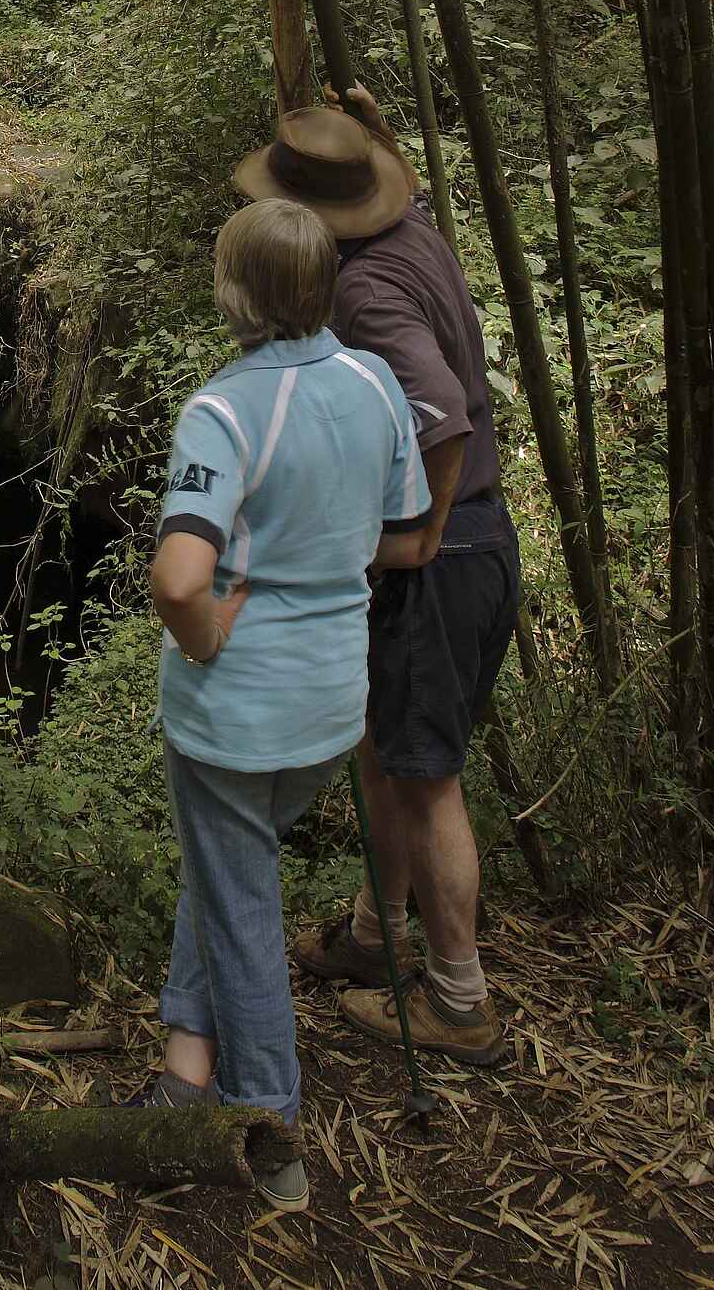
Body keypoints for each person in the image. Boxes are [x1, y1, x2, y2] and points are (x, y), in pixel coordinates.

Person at [136, 198, 432, 1213]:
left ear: (235, 293)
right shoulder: (376, 382)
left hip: (234, 717)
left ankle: (269, 1137)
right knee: (227, 875)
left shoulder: (223, 411)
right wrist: (320, 552)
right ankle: (184, 1071)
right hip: (330, 709)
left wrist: (204, 634)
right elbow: (405, 532)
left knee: (243, 905)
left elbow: (180, 578)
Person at [236, 96, 521, 1068]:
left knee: (428, 778)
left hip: (446, 551)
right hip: (477, 544)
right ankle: (375, 931)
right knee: (388, 749)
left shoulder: (361, 291)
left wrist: (422, 530)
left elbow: (440, 407)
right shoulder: (413, 231)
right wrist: (376, 128)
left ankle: (460, 1001)